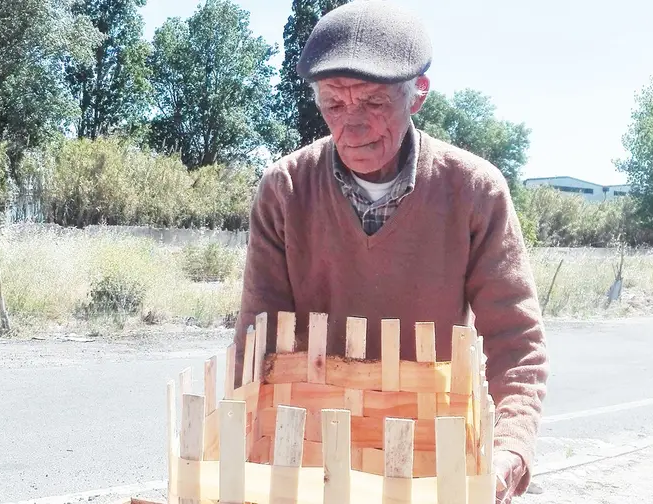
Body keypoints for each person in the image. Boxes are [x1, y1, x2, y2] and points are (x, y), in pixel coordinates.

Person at [232, 1, 549, 502]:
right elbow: (259, 343)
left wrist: (510, 449)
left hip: (433, 456)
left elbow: (516, 341)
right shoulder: (286, 189)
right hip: (316, 458)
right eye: (334, 105)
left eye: (374, 104)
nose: (351, 128)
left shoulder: (474, 190)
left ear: (417, 94)